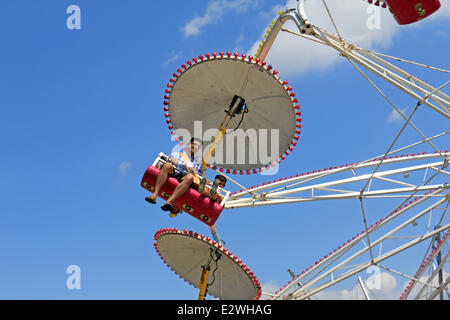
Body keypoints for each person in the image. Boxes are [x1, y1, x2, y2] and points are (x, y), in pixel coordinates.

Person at [145, 137, 203, 213]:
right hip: (173, 172)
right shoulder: (176, 154)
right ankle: (154, 195)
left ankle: (169, 201)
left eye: (198, 147)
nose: (195, 147)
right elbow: (165, 163)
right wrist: (171, 162)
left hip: (185, 178)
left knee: (190, 177)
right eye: (194, 144)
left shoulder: (198, 164)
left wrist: (191, 169)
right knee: (167, 165)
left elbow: (197, 176)